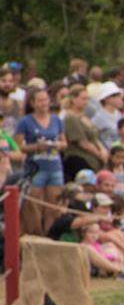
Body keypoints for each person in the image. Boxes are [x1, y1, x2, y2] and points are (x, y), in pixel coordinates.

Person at [14, 87, 67, 235]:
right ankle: (35, 235)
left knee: (53, 205)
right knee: (34, 206)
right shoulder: (25, 121)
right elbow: (18, 146)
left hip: (54, 165)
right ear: (33, 103)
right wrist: (37, 146)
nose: (44, 103)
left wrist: (57, 145)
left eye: (46, 100)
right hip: (36, 167)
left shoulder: (56, 120)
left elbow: (64, 142)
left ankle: (50, 235)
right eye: (40, 100)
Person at [61, 83, 106, 181]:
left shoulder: (85, 117)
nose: (86, 102)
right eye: (83, 99)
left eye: (87, 99)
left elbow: (95, 137)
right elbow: (82, 142)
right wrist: (99, 154)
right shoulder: (71, 118)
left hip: (95, 160)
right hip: (80, 158)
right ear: (73, 99)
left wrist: (103, 150)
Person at [91, 82, 124, 150]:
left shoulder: (119, 115)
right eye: (116, 95)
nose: (120, 98)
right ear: (107, 99)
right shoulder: (98, 118)